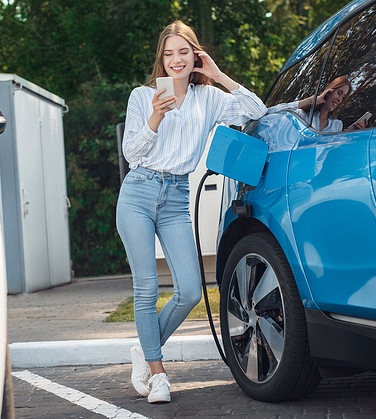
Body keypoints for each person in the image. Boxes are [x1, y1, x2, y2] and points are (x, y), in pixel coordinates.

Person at [116, 20, 266, 403]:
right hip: (139, 191)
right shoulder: (142, 96)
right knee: (147, 288)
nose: (176, 60)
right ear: (161, 60)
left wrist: (217, 74)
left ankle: (145, 349)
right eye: (168, 54)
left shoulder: (209, 98)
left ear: (195, 54)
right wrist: (156, 115)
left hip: (176, 196)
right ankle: (158, 372)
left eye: (183, 52)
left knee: (189, 291)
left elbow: (257, 110)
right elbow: (131, 153)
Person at [266, 75, 365, 132]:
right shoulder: (303, 117)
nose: (340, 99)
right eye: (339, 93)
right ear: (330, 91)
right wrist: (310, 100)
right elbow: (269, 113)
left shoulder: (337, 126)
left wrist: (349, 138)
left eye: (343, 97)